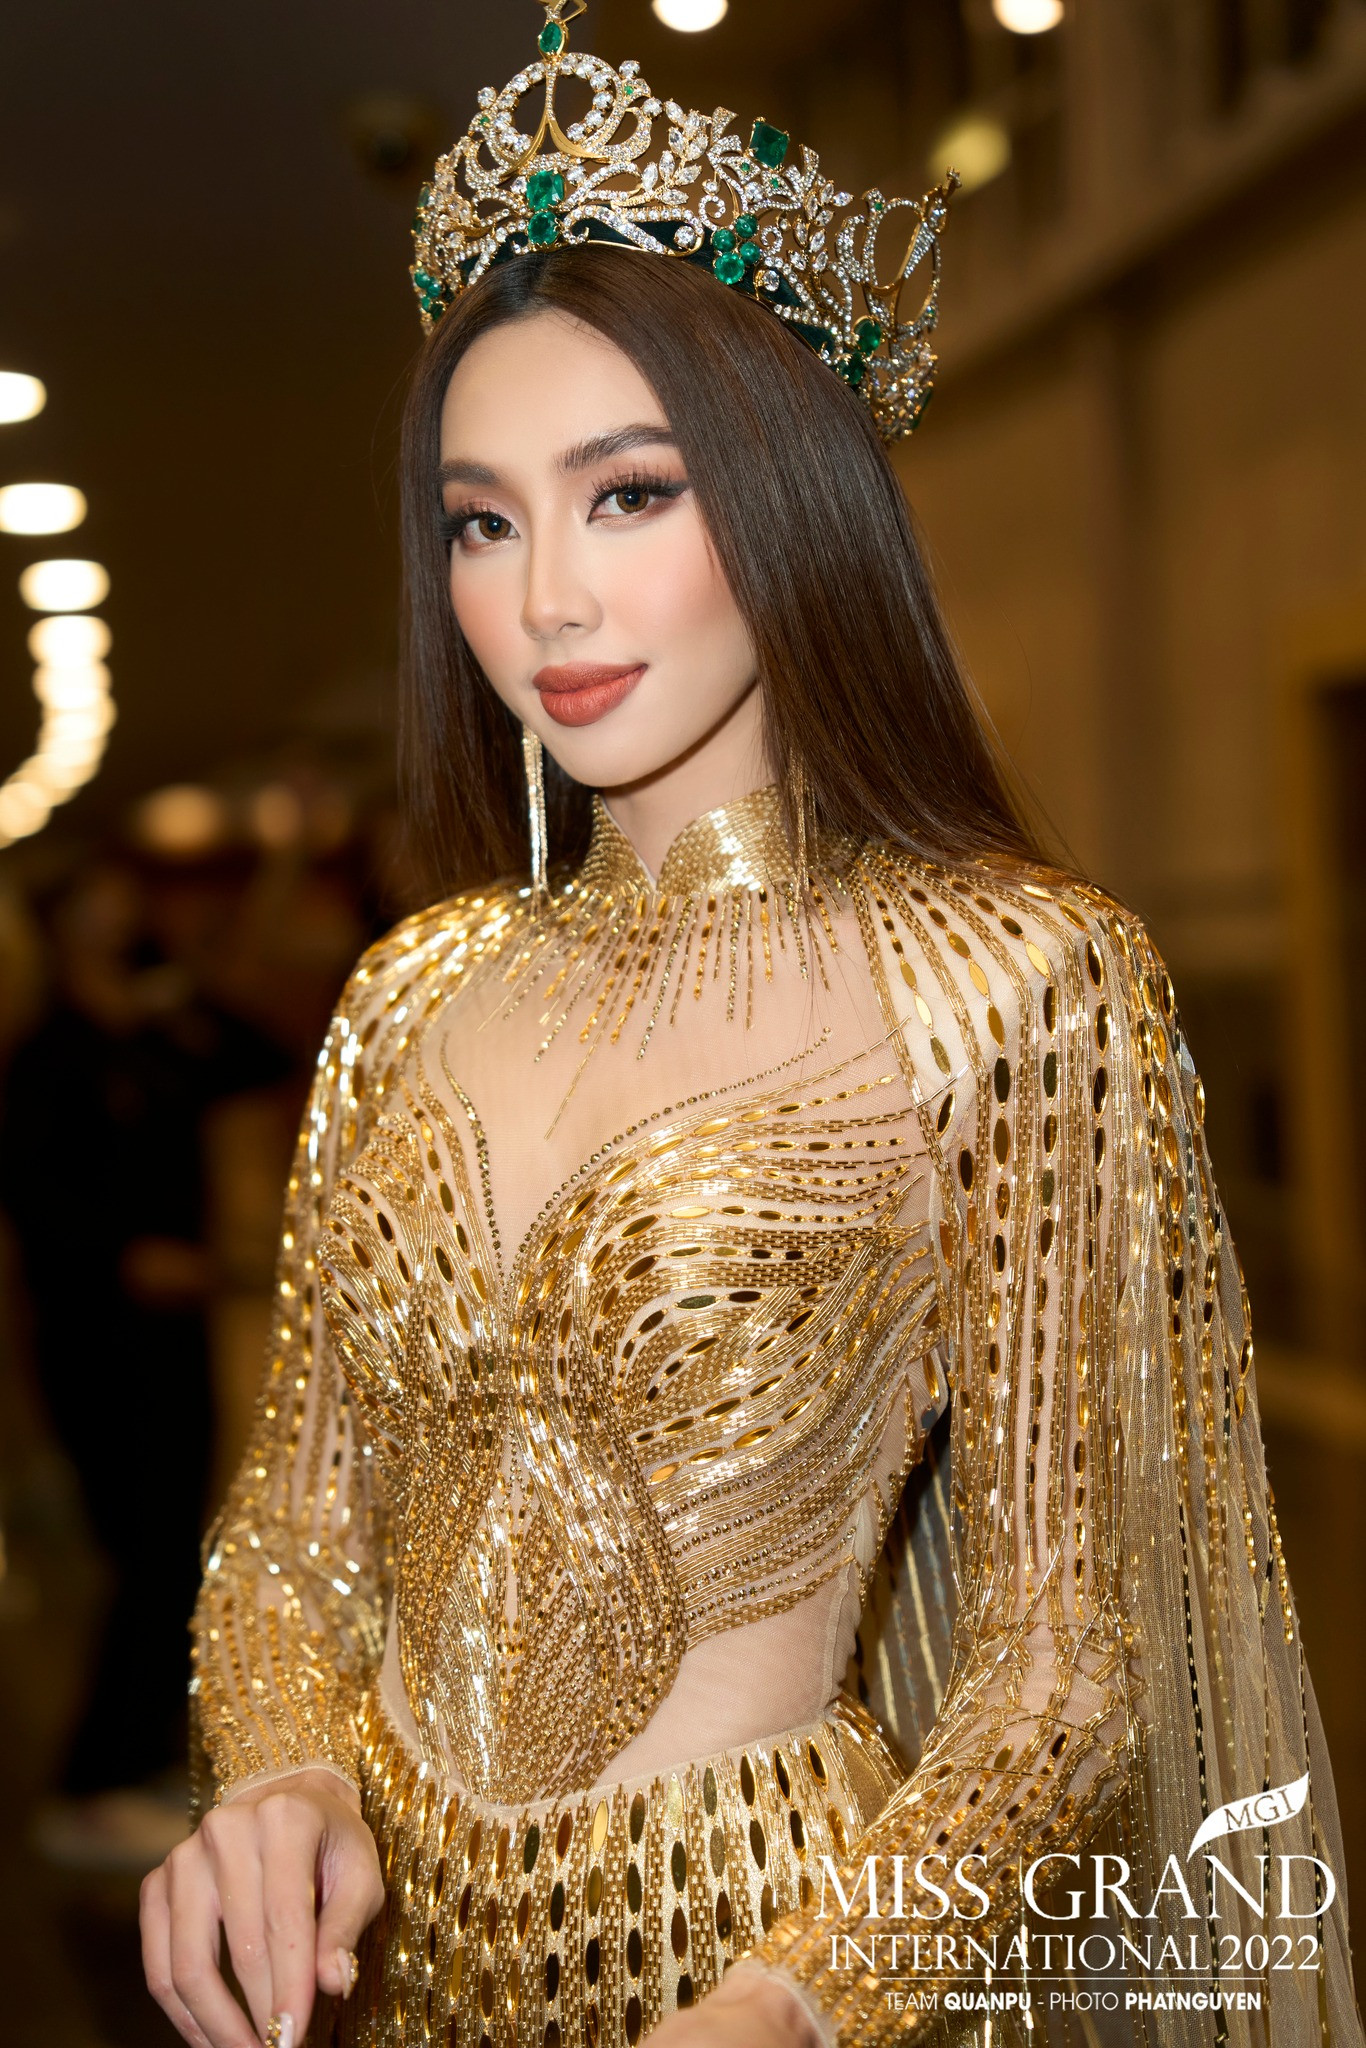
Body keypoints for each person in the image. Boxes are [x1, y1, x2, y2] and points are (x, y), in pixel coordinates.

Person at [139, 6, 1365, 2046]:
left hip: (770, 1953)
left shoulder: (1011, 980)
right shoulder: (410, 990)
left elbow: (1066, 1666)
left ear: (788, 500)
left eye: (627, 495)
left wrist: (796, 2004)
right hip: (392, 1983)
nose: (545, 599)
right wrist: (276, 1776)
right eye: (480, 519)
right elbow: (290, 1541)